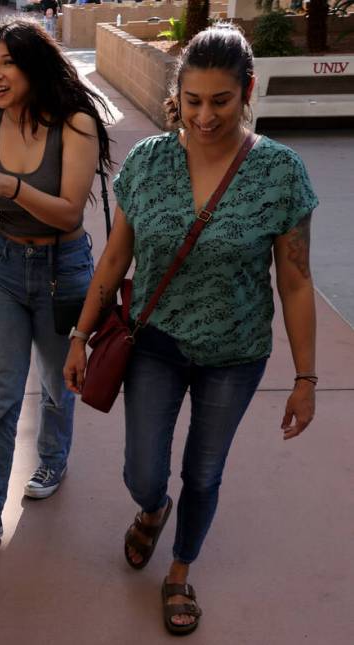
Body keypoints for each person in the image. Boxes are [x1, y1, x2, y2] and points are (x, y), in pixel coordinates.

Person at [63, 25, 317, 635]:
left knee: (204, 470)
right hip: (156, 343)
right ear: (180, 93)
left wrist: (306, 377)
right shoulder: (149, 164)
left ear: (247, 90)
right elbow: (116, 257)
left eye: (221, 101)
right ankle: (152, 509)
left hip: (236, 352)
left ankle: (179, 569)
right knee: (142, 470)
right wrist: (79, 335)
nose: (206, 116)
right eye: (194, 100)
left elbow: (297, 281)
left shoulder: (280, 173)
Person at [0, 16, 112, 551]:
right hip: (5, 273)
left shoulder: (76, 124)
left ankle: (53, 460)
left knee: (59, 387)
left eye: (8, 62)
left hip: (66, 270)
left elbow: (67, 215)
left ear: (33, 66)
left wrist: (12, 185)